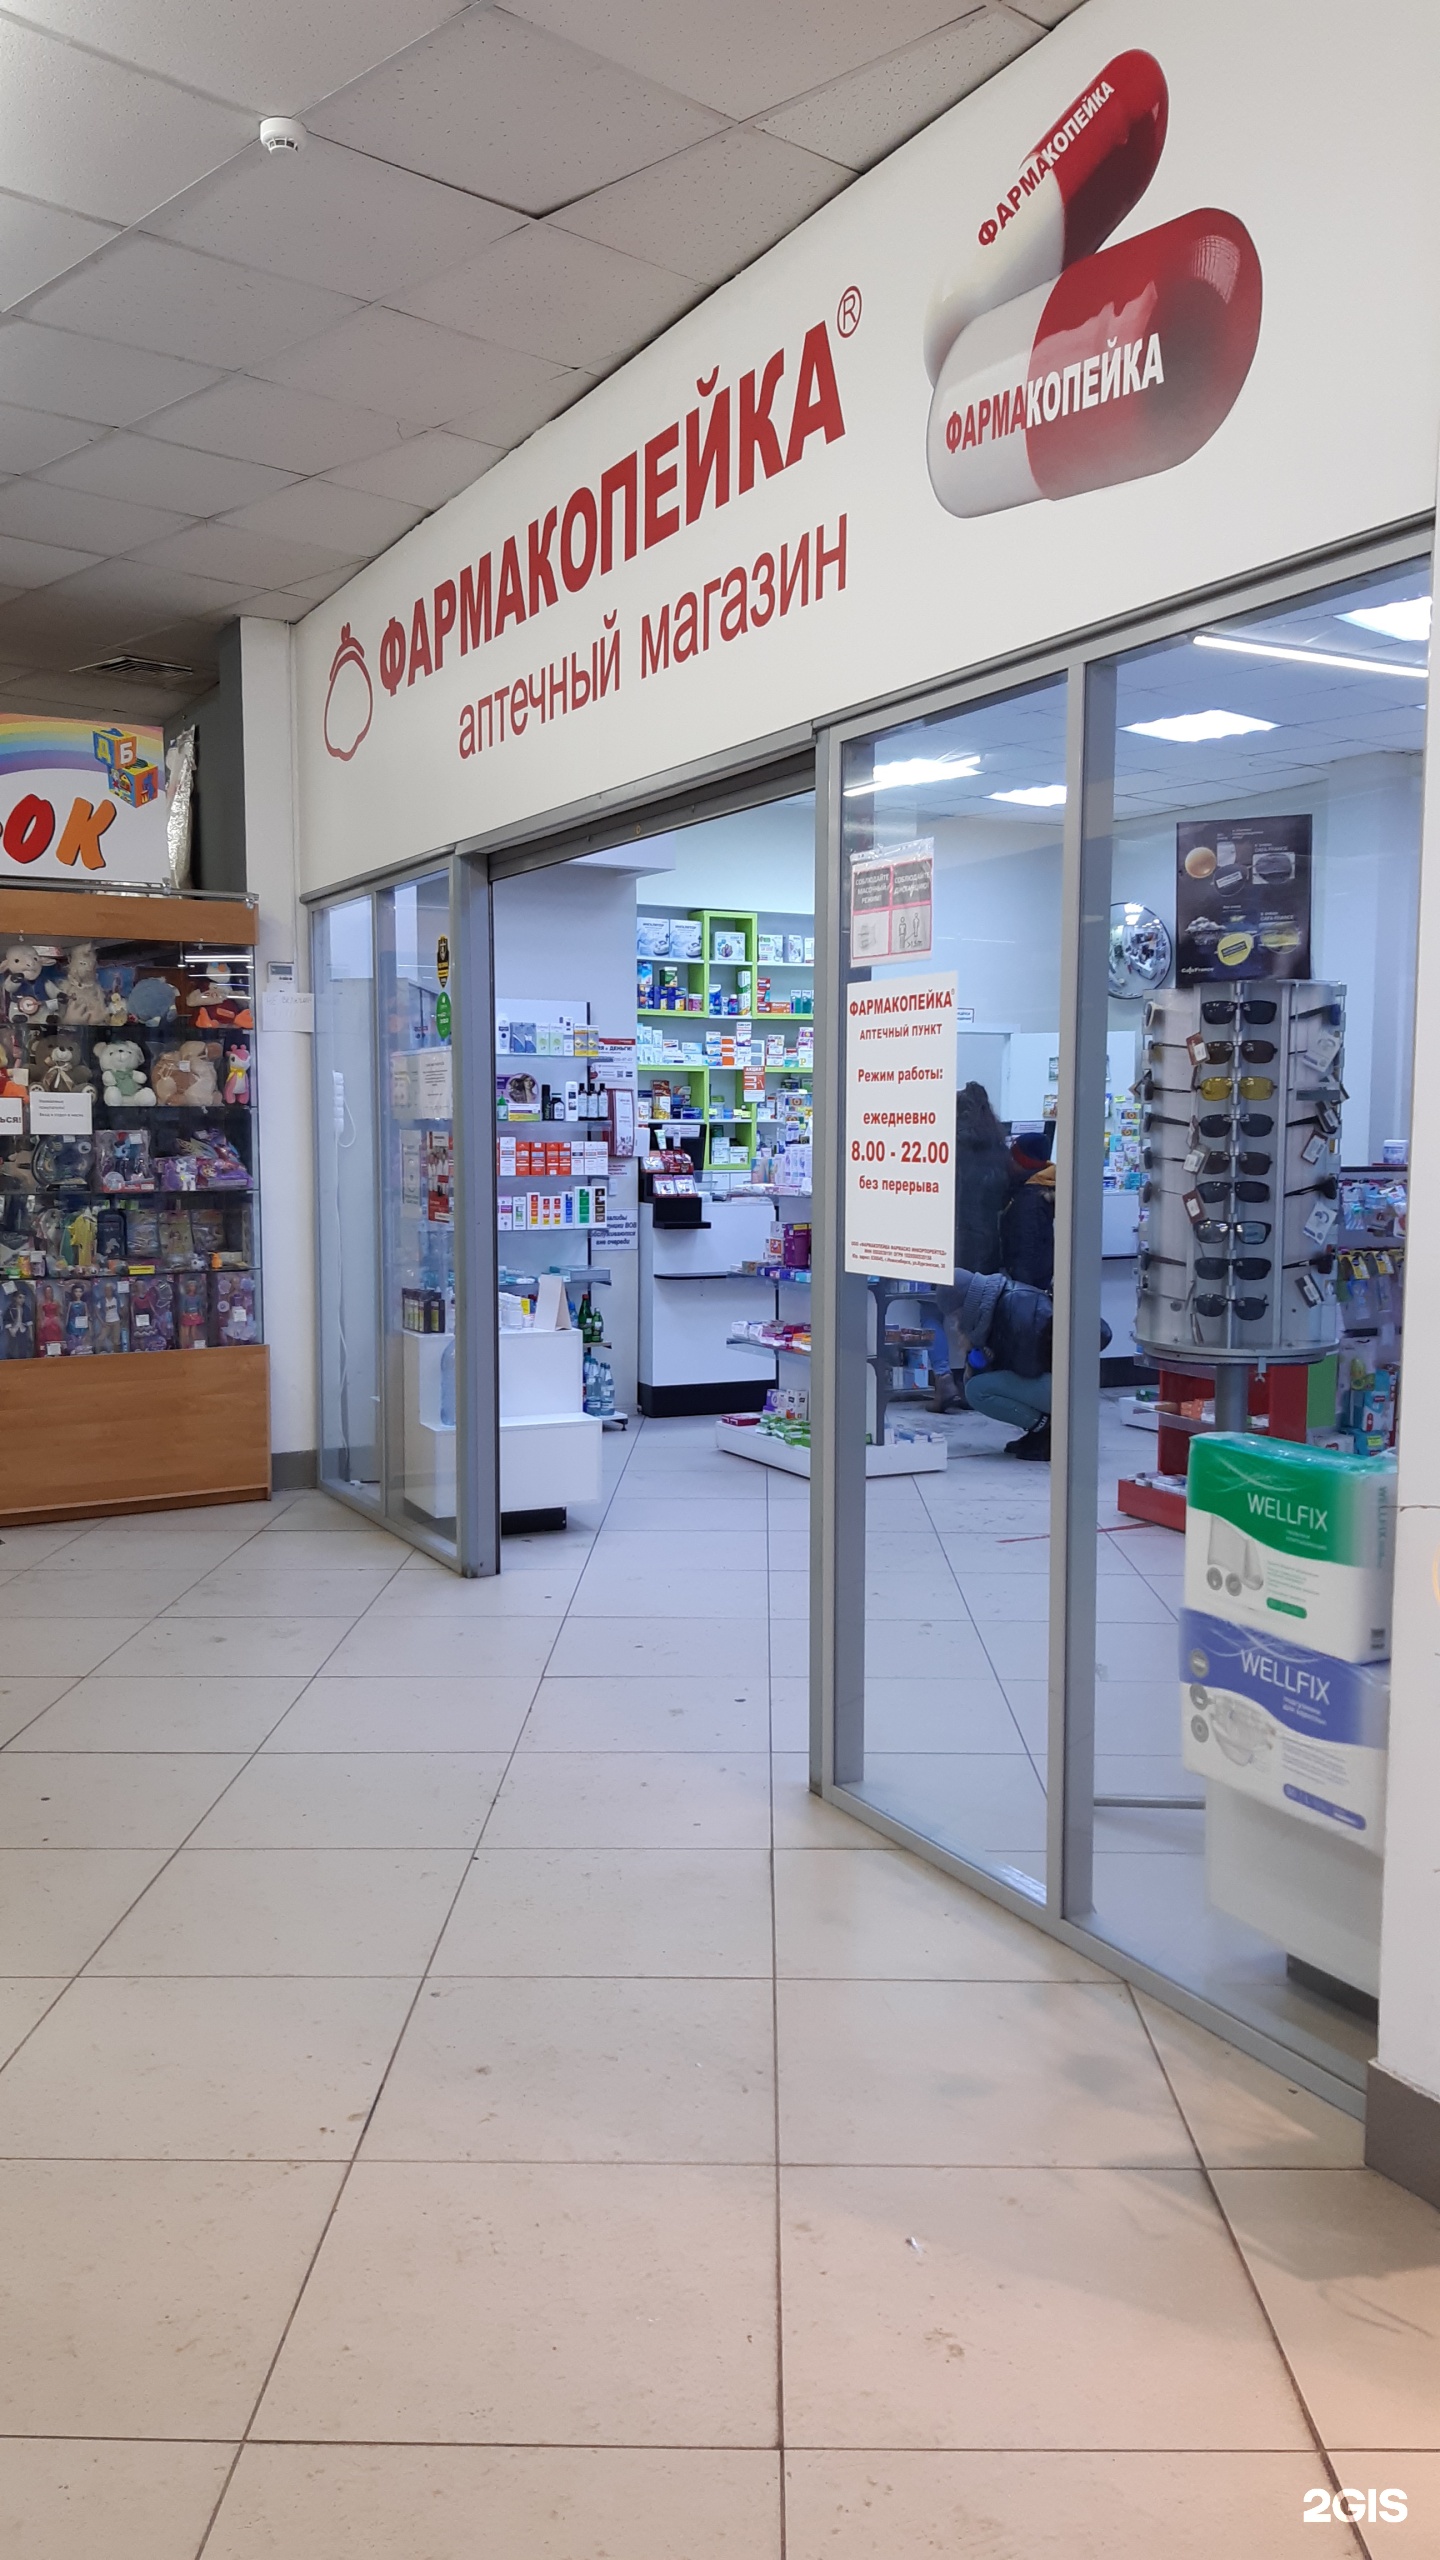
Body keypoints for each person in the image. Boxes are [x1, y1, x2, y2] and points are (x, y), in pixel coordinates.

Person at [926, 1264, 1054, 1456]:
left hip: (1064, 1389)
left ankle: (1047, 1432)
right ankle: (1039, 1431)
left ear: (966, 1305)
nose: (955, 1323)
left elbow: (1028, 1369)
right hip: (1056, 1381)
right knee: (979, 1383)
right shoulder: (999, 1299)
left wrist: (990, 1359)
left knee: (978, 1390)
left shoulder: (1010, 1308)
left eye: (955, 1315)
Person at [1000, 1122, 1056, 1289]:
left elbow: (1027, 1245)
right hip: (1037, 1276)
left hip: (1028, 1281)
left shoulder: (1030, 1198)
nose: (1009, 1162)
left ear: (1023, 1163)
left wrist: (1021, 1288)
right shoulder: (1038, 1186)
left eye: (1013, 1158)